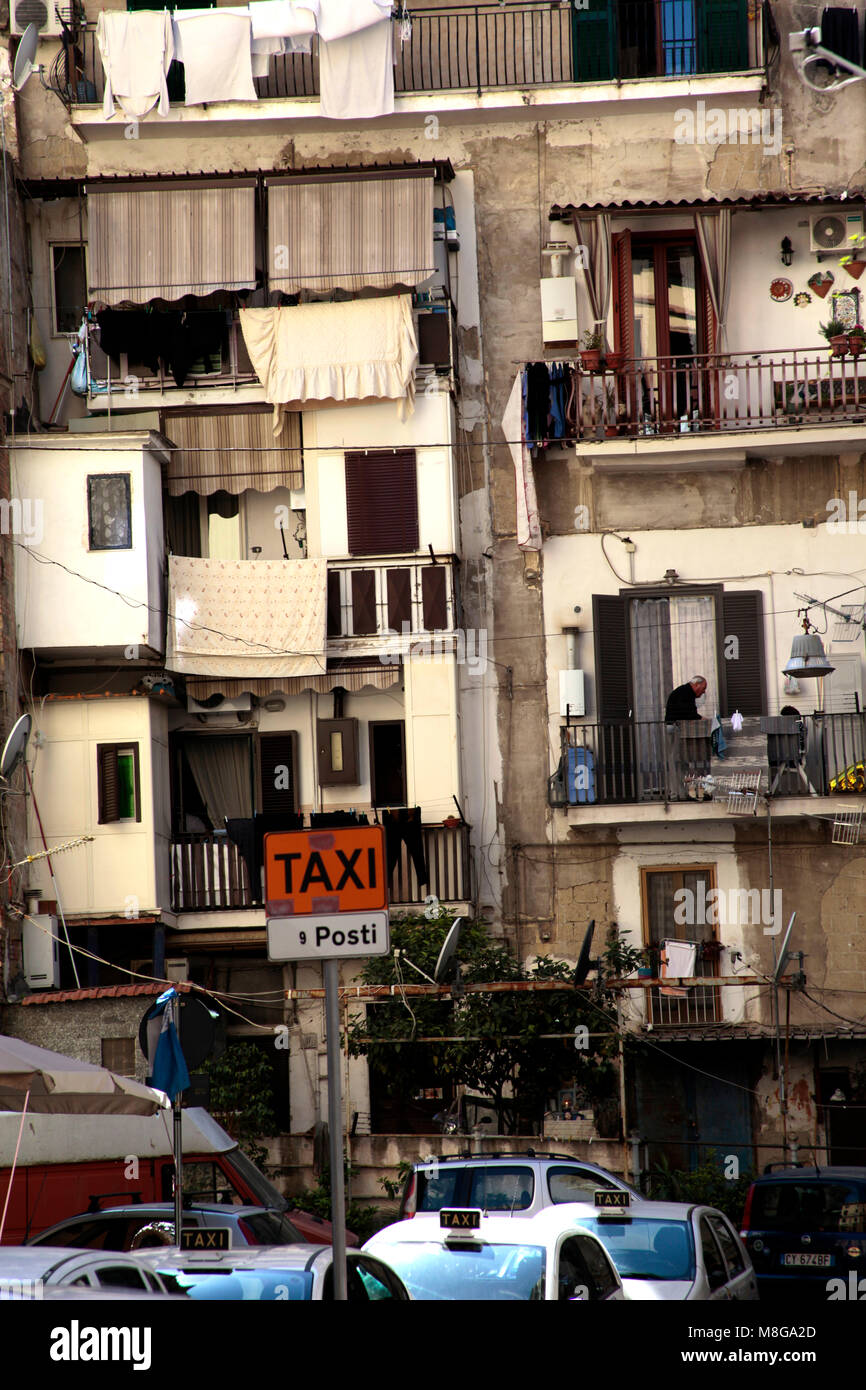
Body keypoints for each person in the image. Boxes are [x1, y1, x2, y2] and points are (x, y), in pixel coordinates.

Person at [664, 676, 708, 798]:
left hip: (675, 728)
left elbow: (687, 711)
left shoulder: (684, 691)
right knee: (677, 761)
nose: (704, 692)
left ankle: (681, 793)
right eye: (703, 688)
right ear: (696, 685)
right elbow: (687, 712)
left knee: (681, 761)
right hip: (675, 728)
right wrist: (701, 718)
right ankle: (676, 794)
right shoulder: (686, 692)